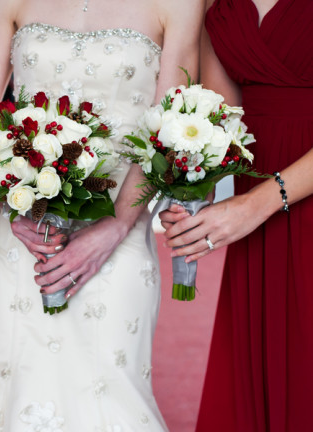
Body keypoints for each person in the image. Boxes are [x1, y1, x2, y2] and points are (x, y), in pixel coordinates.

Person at [0, 0, 203, 430]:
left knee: (109, 391)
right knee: (9, 391)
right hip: (21, 232)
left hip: (120, 226)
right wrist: (17, 197)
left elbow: (169, 127)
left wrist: (117, 225)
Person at [159, 0, 313, 430]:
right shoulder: (217, 4)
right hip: (259, 214)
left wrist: (256, 204)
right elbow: (225, 119)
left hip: (274, 199)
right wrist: (191, 194)